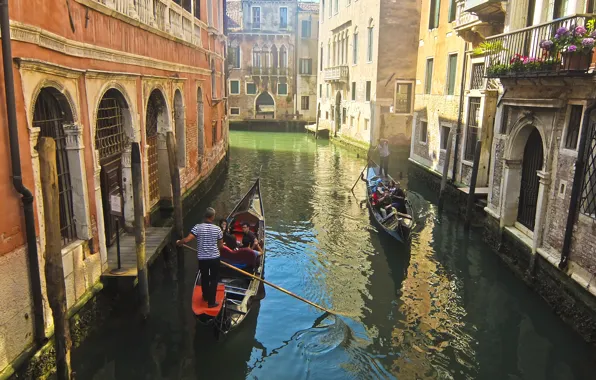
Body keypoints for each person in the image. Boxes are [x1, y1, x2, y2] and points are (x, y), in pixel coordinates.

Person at [176, 207, 223, 308]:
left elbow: (188, 239)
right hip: (215, 258)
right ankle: (211, 302)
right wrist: (215, 250)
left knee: (205, 278)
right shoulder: (218, 229)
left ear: (204, 216)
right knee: (214, 279)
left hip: (203, 258)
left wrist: (179, 242)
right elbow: (221, 246)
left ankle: (205, 296)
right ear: (213, 217)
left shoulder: (197, 227)